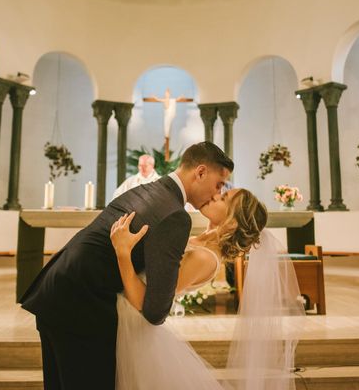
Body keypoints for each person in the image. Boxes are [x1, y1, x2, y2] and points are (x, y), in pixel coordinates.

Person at [19, 141, 233, 390]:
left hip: (58, 289)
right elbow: (155, 311)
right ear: (201, 172)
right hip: (83, 306)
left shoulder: (150, 190)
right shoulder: (175, 215)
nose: (217, 194)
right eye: (219, 184)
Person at [111, 188, 306, 389]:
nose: (214, 195)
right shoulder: (199, 240)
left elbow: (143, 303)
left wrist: (123, 253)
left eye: (223, 198)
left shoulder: (205, 258)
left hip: (131, 324)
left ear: (231, 222)